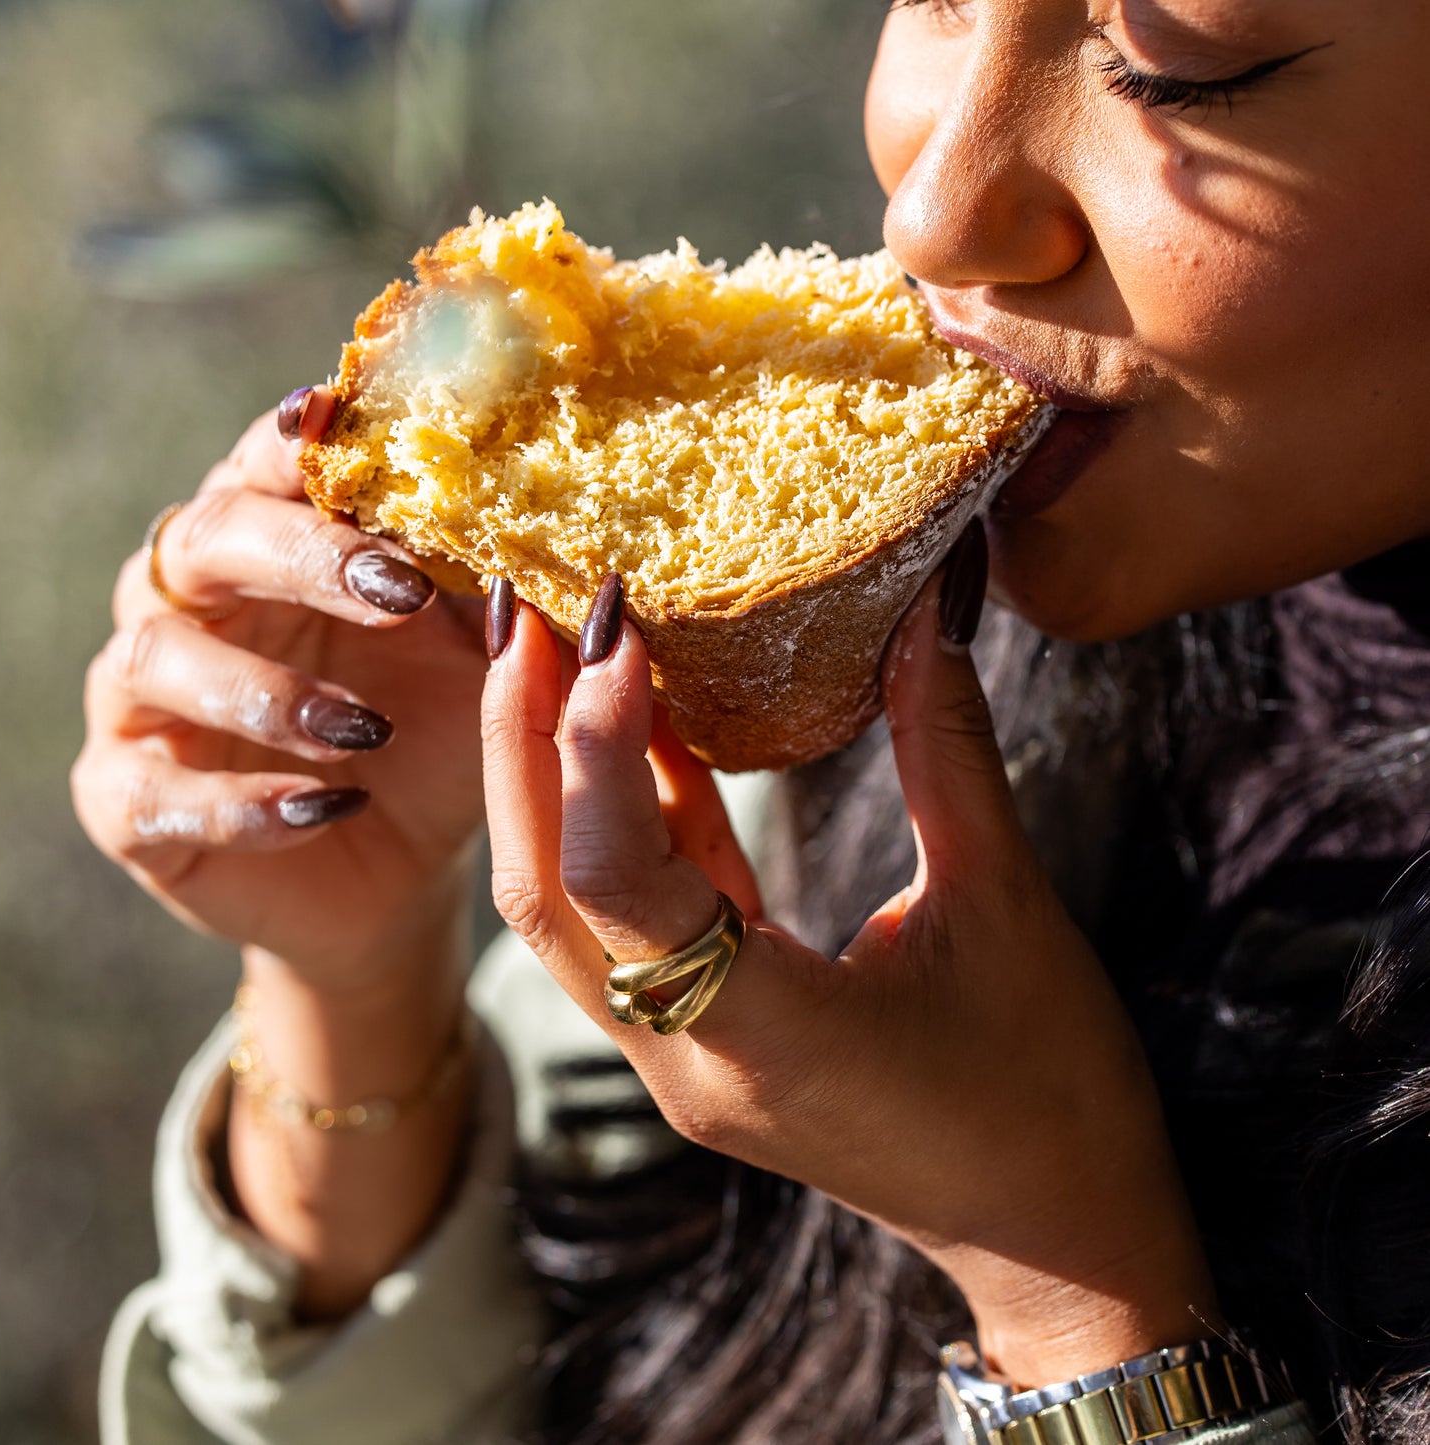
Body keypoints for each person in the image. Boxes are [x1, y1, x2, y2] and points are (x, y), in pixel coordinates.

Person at [73, 0, 1430, 1440]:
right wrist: (348, 977)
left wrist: (1069, 1293)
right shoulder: (851, 684)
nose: (931, 212)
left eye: (1182, 65)